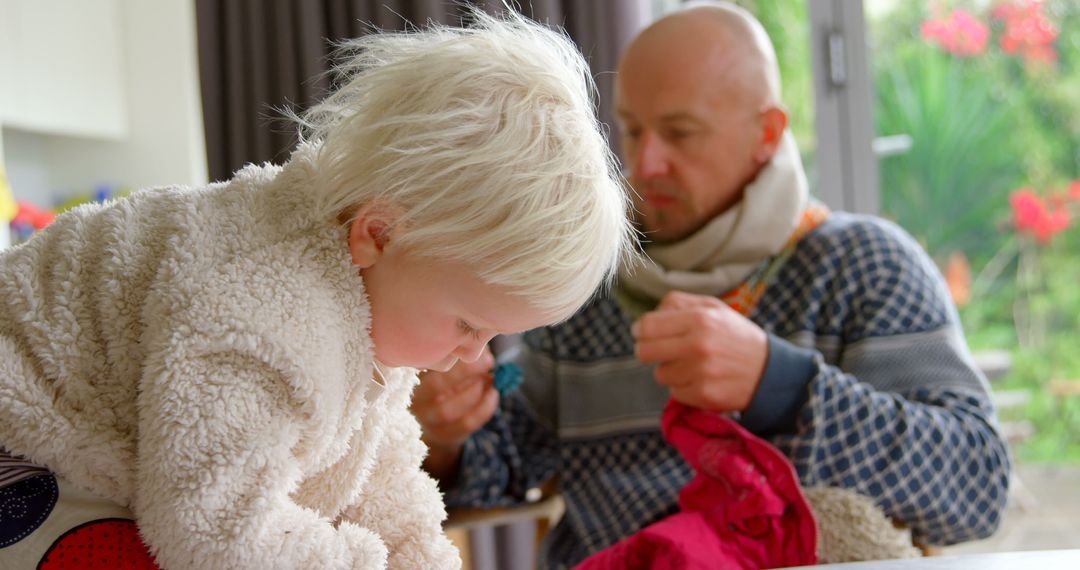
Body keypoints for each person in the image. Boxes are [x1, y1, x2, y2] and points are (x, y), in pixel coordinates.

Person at [0, 10, 635, 570]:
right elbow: (214, 534)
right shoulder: (267, 313)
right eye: (470, 325)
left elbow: (381, 477)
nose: (474, 354)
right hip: (23, 432)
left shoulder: (375, 289)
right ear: (379, 232)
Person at [413, 2, 1011, 568]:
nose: (646, 165)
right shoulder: (588, 285)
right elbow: (503, 464)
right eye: (632, 130)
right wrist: (444, 435)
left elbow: (976, 486)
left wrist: (781, 386)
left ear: (768, 133)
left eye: (681, 133)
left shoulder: (865, 266)